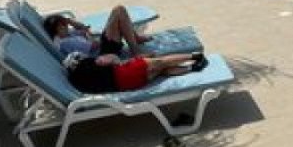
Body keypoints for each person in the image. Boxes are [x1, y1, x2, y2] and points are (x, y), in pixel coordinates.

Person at [42, 11, 207, 94]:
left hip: (111, 69)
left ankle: (192, 67)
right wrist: (89, 35)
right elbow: (94, 45)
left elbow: (83, 28)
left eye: (65, 24)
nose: (66, 26)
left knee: (160, 68)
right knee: (119, 11)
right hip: (103, 54)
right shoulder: (67, 42)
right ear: (56, 30)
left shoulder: (66, 36)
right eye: (63, 25)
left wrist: (72, 23)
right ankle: (136, 47)